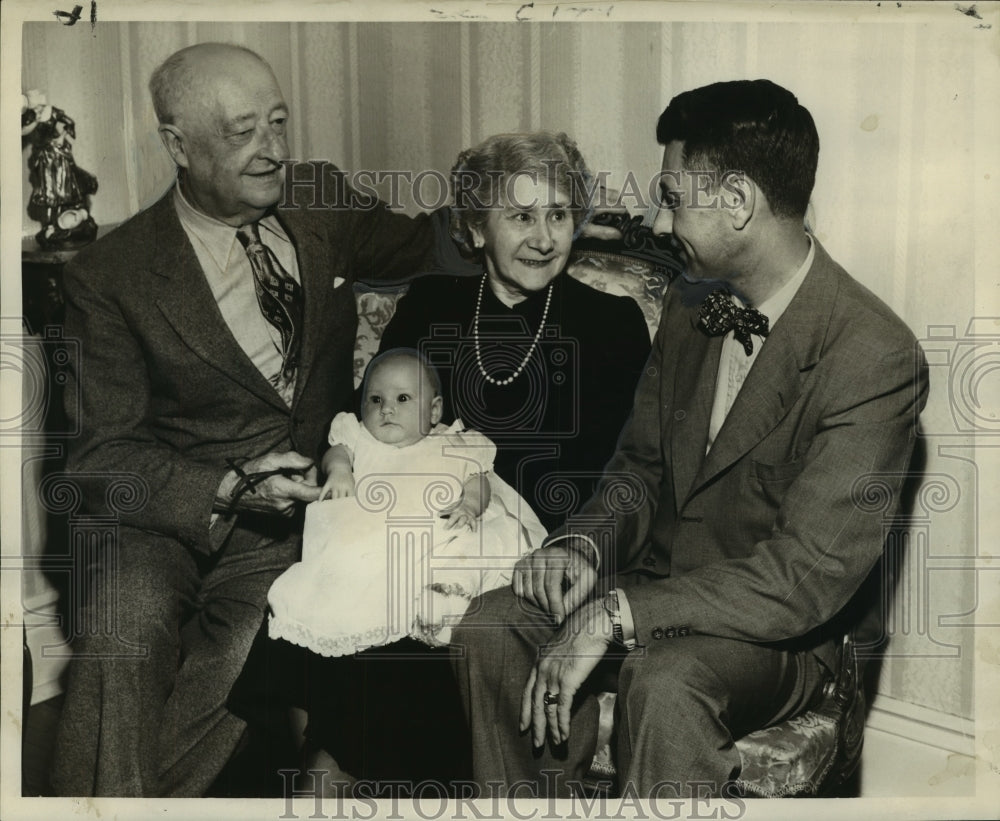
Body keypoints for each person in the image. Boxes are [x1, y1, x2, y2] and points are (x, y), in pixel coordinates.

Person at [450, 79, 930, 798]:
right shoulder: (691, 298)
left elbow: (802, 577)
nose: (656, 215)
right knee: (493, 624)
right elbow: (639, 468)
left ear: (736, 202)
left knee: (664, 680)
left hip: (772, 636)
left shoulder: (874, 355)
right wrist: (583, 544)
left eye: (672, 196)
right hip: (656, 583)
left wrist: (620, 613)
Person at [50, 42, 440, 798]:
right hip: (157, 520)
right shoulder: (109, 274)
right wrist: (226, 487)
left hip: (290, 526)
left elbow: (429, 241)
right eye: (242, 133)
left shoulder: (319, 201)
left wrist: (521, 204)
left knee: (246, 652)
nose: (274, 151)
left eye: (279, 123)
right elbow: (100, 456)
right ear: (178, 146)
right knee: (121, 634)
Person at [259, 349, 546, 790]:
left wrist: (470, 503)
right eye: (375, 399)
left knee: (465, 551)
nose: (386, 408)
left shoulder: (453, 444)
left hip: (419, 558)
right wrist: (339, 474)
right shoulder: (357, 438)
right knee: (305, 615)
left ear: (434, 411)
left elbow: (479, 482)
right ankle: (315, 762)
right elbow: (335, 454)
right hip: (357, 559)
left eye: (403, 399)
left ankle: (330, 770)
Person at [379, 131, 652, 533]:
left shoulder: (613, 323)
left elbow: (633, 472)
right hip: (427, 530)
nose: (543, 240)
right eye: (522, 216)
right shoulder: (427, 307)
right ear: (476, 229)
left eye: (557, 215)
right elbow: (371, 422)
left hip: (558, 549)